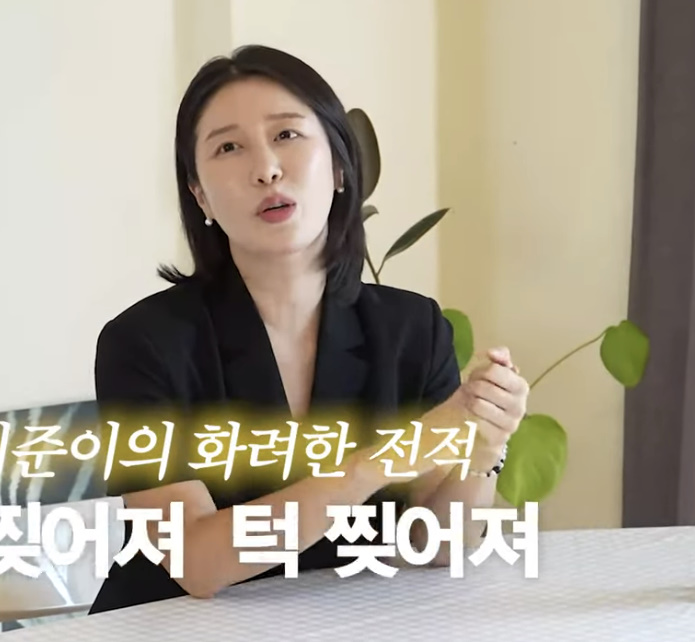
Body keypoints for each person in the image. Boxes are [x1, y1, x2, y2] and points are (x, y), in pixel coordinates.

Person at [88, 44, 530, 614]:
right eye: (228, 147)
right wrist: (382, 460)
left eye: (287, 135)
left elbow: (435, 545)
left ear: (340, 167)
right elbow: (197, 561)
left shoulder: (411, 329)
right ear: (199, 194)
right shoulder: (142, 344)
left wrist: (484, 445)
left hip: (342, 623)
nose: (266, 169)